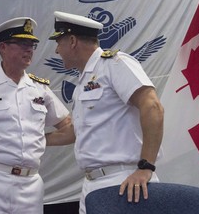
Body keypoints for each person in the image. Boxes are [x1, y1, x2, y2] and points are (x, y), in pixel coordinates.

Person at [0, 17, 73, 214]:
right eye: (23, 44)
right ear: (3, 47)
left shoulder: (39, 88)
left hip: (30, 185)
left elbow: (69, 129)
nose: (29, 49)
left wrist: (37, 139)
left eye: (32, 44)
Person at [47, 11, 164, 214]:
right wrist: (32, 138)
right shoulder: (84, 81)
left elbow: (152, 106)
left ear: (72, 40)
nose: (57, 51)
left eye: (59, 42)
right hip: (92, 185)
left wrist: (146, 167)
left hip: (124, 181)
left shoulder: (114, 64)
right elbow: (75, 132)